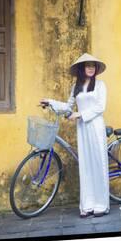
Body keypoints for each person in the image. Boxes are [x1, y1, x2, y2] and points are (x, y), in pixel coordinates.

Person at [40, 53, 110, 218]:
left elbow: (100, 107)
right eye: (87, 65)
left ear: (96, 68)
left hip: (95, 126)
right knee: (85, 165)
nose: (91, 68)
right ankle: (88, 204)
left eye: (93, 65)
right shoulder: (76, 87)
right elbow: (68, 106)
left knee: (98, 163)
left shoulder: (100, 85)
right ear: (81, 68)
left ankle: (101, 204)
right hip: (83, 129)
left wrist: (80, 115)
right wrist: (51, 102)